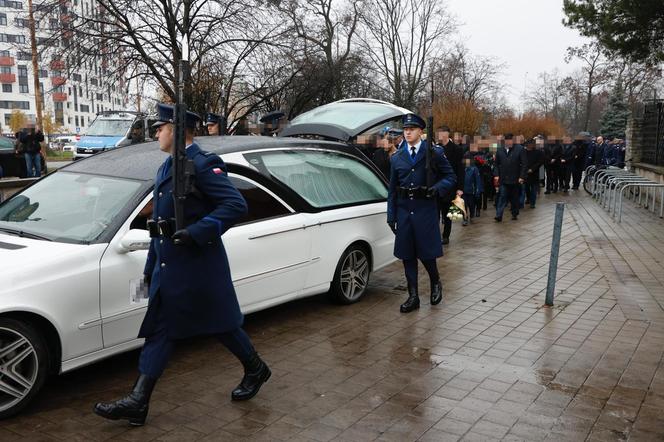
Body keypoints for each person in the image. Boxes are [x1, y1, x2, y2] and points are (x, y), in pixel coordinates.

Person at [94, 103, 270, 426]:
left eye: (159, 127)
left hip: (198, 267)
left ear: (175, 130)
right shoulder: (166, 167)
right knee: (161, 329)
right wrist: (149, 270)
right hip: (169, 266)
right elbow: (160, 224)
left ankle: (256, 368)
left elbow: (235, 204)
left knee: (222, 325)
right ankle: (138, 400)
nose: (155, 133)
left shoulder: (202, 164)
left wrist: (197, 232)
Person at [387, 113, 456, 313]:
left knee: (426, 253)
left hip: (425, 209)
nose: (407, 132)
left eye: (412, 129)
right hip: (404, 210)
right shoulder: (397, 157)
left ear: (420, 131)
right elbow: (392, 189)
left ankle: (435, 281)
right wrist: (391, 215)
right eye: (405, 129)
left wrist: (437, 188)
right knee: (407, 255)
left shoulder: (432, 152)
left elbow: (450, 176)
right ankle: (413, 296)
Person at [436, 125, 463, 245]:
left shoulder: (456, 149)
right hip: (436, 185)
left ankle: (446, 236)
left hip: (450, 186)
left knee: (448, 213)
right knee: (435, 213)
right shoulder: (435, 148)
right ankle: (434, 235)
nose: (438, 135)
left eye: (441, 133)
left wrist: (460, 188)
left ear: (446, 134)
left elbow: (460, 170)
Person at [494, 133, 527, 222]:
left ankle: (514, 213)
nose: (509, 142)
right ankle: (499, 214)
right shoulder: (500, 150)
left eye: (510, 140)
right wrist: (496, 175)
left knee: (514, 197)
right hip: (503, 178)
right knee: (502, 196)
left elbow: (524, 164)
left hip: (515, 178)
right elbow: (496, 164)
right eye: (507, 140)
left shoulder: (520, 149)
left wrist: (521, 176)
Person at [461, 153, 482, 225]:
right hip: (463, 191)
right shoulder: (462, 169)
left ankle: (472, 216)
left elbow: (478, 181)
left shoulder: (474, 169)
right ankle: (465, 218)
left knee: (471, 205)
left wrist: (478, 190)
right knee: (463, 205)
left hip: (471, 191)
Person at [525, 137, 544, 208]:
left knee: (533, 189)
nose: (530, 145)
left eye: (531, 144)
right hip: (525, 173)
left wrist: (532, 169)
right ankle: (528, 198)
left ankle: (532, 203)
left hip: (534, 173)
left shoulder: (538, 152)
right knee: (526, 188)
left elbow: (540, 162)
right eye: (528, 144)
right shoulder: (523, 152)